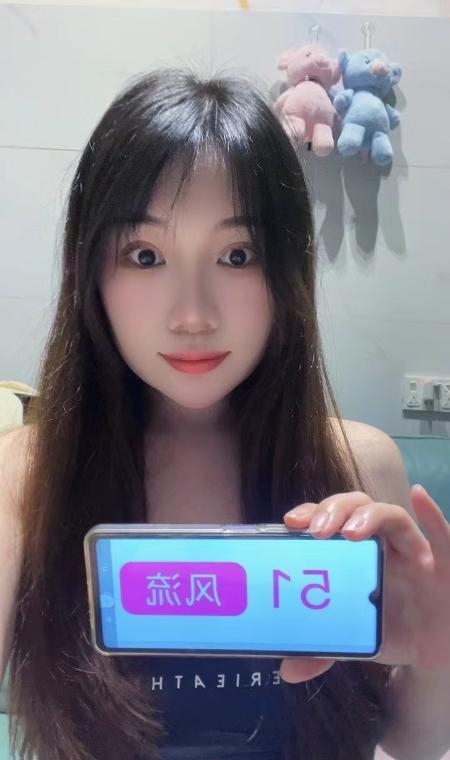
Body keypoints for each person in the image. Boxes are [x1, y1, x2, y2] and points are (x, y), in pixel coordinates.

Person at [1, 67, 450, 760]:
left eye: (237, 255)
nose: (193, 315)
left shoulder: (358, 468)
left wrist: (438, 652)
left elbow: (416, 744)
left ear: (288, 272)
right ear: (90, 273)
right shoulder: (26, 477)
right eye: (145, 255)